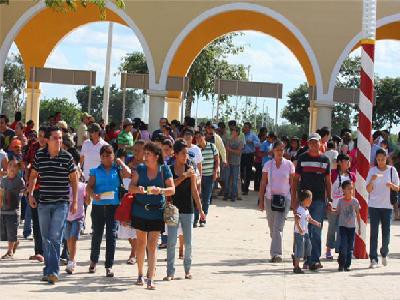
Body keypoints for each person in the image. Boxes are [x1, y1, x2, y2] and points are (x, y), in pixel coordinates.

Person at [28, 126, 78, 284]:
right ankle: (48, 270)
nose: (59, 141)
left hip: (61, 203)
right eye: (56, 138)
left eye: (61, 138)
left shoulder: (67, 157)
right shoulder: (39, 155)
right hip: (43, 202)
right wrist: (30, 193)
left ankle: (53, 271)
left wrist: (75, 200)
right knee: (46, 238)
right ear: (48, 140)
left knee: (55, 237)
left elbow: (74, 179)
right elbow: (34, 174)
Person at [128, 142, 175, 290]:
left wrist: (160, 190)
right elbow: (130, 188)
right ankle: (140, 274)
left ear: (156, 156)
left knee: (153, 246)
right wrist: (138, 189)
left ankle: (150, 278)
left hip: (157, 212)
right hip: (139, 210)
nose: (145, 156)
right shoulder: (140, 169)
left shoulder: (164, 169)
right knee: (141, 243)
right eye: (144, 153)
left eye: (148, 154)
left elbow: (172, 189)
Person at [86, 145, 130, 277]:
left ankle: (109, 266)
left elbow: (128, 173)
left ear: (113, 156)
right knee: (97, 235)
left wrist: (120, 161)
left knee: (112, 236)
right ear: (100, 157)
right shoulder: (95, 171)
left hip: (113, 207)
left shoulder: (117, 170)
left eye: (109, 155)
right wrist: (93, 195)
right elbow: (89, 187)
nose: (106, 158)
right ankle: (93, 261)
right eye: (103, 156)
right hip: (99, 206)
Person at [164, 139, 205, 281]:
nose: (185, 156)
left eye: (187, 153)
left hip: (188, 209)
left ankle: (187, 270)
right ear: (175, 154)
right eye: (183, 153)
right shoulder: (168, 168)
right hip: (172, 209)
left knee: (188, 242)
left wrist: (201, 210)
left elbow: (194, 191)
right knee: (171, 242)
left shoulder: (191, 167)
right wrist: (183, 176)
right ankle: (170, 272)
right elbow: (170, 187)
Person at [291, 132, 331, 271]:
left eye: (316, 142)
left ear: (321, 143)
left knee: (316, 229)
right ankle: (301, 258)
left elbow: (328, 181)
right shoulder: (302, 158)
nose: (314, 145)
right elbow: (295, 179)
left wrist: (329, 199)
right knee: (302, 230)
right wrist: (294, 199)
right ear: (308, 144)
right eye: (311, 142)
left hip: (319, 200)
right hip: (303, 201)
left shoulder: (325, 160)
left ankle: (314, 259)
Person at [259, 140, 295, 262]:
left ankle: (276, 254)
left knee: (278, 227)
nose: (280, 152)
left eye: (282, 149)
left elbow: (293, 184)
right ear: (273, 151)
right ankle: (275, 245)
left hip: (284, 199)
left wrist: (294, 201)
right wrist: (261, 200)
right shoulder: (268, 165)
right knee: (272, 226)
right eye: (277, 149)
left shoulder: (289, 165)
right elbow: (263, 182)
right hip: (270, 199)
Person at [366, 148, 399, 268]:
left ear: (386, 159)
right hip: (374, 206)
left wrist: (392, 185)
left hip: (387, 206)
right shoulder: (372, 170)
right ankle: (373, 259)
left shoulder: (392, 170)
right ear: (376, 159)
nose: (380, 161)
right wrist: (372, 181)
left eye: (383, 159)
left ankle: (384, 253)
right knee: (373, 233)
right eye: (378, 159)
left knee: (386, 233)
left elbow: (398, 187)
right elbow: (368, 190)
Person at [326, 153, 355, 260]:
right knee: (332, 227)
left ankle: (340, 250)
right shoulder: (332, 173)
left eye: (348, 161)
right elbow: (327, 187)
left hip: (346, 207)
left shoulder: (352, 175)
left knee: (342, 229)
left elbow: (354, 191)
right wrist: (327, 201)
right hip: (333, 205)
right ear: (339, 162)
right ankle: (329, 249)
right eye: (345, 161)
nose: (348, 163)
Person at [327, 180, 361, 271]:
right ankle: (341, 264)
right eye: (348, 189)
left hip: (352, 227)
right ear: (343, 190)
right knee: (343, 245)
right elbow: (337, 212)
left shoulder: (355, 201)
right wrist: (331, 210)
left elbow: (358, 214)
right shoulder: (340, 201)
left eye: (352, 189)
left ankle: (347, 265)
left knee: (350, 247)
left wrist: (360, 227)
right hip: (342, 227)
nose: (350, 191)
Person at [0, 160, 25, 259]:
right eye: (10, 165)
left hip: (14, 211)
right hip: (3, 210)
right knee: (5, 232)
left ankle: (10, 251)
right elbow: (1, 193)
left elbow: (23, 192)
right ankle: (15, 241)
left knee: (11, 230)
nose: (12, 167)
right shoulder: (3, 180)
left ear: (18, 169)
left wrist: (25, 192)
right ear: (7, 168)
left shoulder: (20, 180)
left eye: (14, 166)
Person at [194, 130, 219, 227]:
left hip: (209, 176)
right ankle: (196, 218)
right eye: (196, 137)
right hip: (198, 177)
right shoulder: (196, 149)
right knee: (197, 197)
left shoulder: (212, 146)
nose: (198, 139)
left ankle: (203, 218)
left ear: (204, 137)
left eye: (200, 136)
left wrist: (215, 171)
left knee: (206, 198)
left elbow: (217, 160)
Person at [293, 190, 321, 274]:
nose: (311, 201)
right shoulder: (300, 210)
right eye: (310, 199)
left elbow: (309, 219)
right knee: (299, 249)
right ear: (304, 200)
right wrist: (300, 229)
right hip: (299, 233)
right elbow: (296, 220)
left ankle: (309, 262)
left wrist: (316, 223)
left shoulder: (306, 210)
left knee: (309, 247)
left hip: (305, 233)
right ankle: (296, 266)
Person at [64, 167, 86, 274]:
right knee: (68, 239)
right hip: (66, 217)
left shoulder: (83, 186)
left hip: (78, 217)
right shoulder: (66, 187)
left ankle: (71, 261)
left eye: (76, 172)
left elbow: (87, 200)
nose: (74, 174)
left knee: (73, 238)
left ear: (80, 173)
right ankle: (71, 258)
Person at [224, 126, 244, 202]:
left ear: (237, 132)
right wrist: (227, 161)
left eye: (234, 130)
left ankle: (233, 196)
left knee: (235, 180)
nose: (232, 131)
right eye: (232, 130)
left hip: (236, 163)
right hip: (229, 162)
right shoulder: (229, 141)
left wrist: (230, 149)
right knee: (227, 179)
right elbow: (227, 151)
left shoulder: (240, 141)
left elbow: (239, 152)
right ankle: (227, 194)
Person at [241, 122, 260, 195]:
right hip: (242, 155)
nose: (244, 128)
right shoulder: (241, 135)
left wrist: (252, 142)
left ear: (249, 128)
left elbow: (258, 144)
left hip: (249, 155)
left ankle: (246, 189)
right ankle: (242, 187)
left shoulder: (253, 135)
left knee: (248, 172)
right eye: (244, 127)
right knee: (241, 172)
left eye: (246, 127)